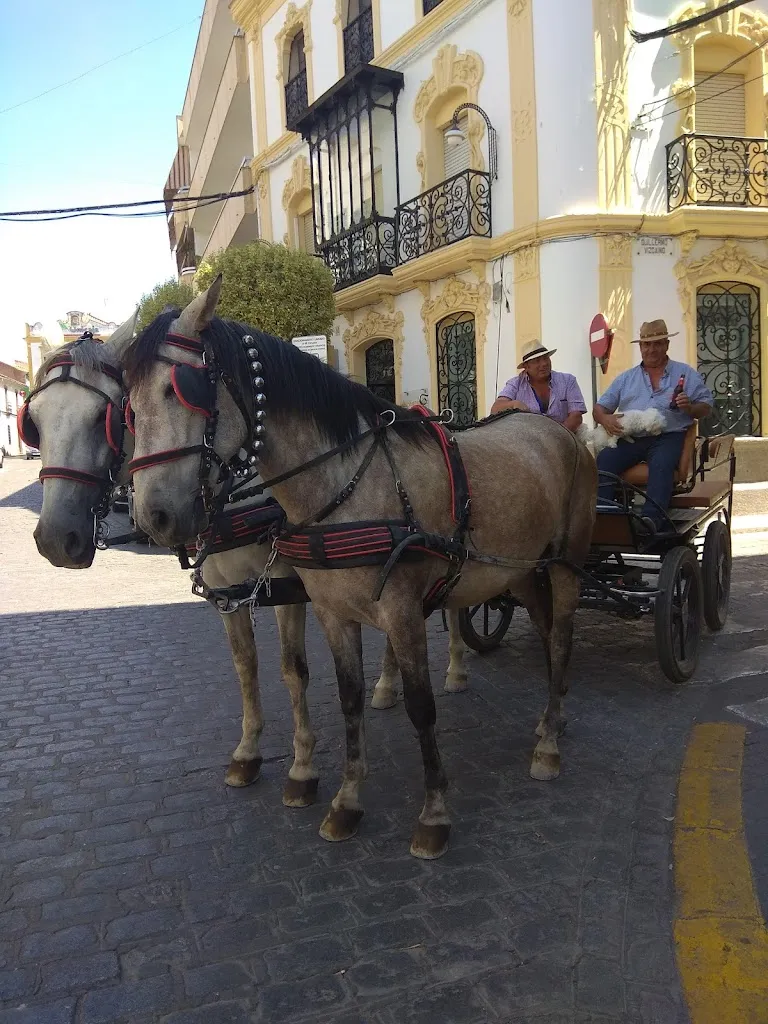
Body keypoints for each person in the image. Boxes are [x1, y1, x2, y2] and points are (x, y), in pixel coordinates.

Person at [593, 318, 713, 532]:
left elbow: (706, 406)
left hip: (669, 435)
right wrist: (605, 419)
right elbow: (600, 408)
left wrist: (690, 408)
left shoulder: (685, 373)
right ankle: (605, 516)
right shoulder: (626, 378)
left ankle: (650, 521)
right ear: (640, 347)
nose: (652, 349)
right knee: (604, 461)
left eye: (658, 343)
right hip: (633, 437)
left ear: (667, 345)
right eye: (647, 344)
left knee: (662, 463)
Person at [491, 339, 586, 432]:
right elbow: (495, 409)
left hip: (565, 437)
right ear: (526, 367)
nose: (544, 364)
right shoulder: (515, 384)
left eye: (546, 358)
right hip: (527, 441)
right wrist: (513, 404)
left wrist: (555, 437)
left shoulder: (568, 381)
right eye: (537, 361)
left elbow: (576, 416)